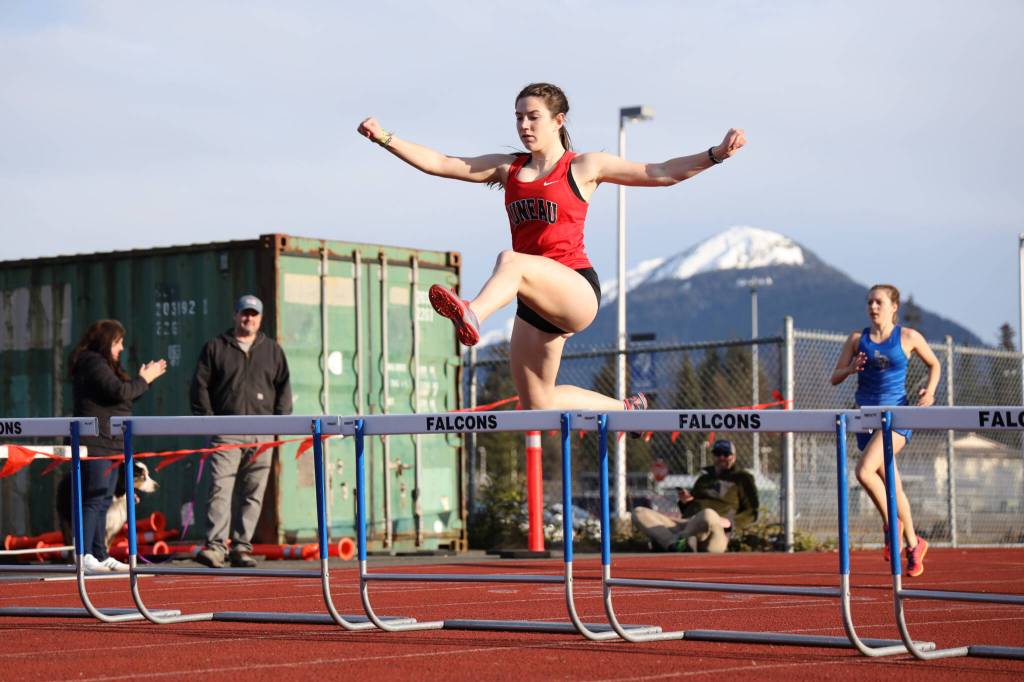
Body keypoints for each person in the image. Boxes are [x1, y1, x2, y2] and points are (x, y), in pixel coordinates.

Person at [358, 82, 745, 413]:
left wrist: (715, 155)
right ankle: (626, 408)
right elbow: (441, 162)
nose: (524, 125)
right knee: (537, 406)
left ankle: (473, 313)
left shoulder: (584, 166)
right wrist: (385, 138)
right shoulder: (507, 168)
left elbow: (659, 173)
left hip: (575, 289)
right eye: (518, 117)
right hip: (534, 300)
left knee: (511, 261)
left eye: (533, 117)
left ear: (558, 121)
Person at [831, 284, 941, 577]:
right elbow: (834, 377)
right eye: (869, 302)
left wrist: (928, 393)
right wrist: (852, 368)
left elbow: (934, 364)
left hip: (896, 418)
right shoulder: (857, 340)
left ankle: (892, 524)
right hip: (865, 419)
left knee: (864, 471)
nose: (873, 307)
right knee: (894, 486)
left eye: (879, 302)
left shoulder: (907, 337)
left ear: (894, 307)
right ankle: (913, 543)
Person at [190, 294, 292, 568]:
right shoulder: (215, 348)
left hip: (263, 431)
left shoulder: (272, 350)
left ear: (260, 318)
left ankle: (242, 547)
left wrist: (279, 425)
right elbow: (199, 385)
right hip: (227, 430)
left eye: (254, 314)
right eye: (244, 313)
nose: (248, 318)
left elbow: (284, 388)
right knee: (220, 489)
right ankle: (214, 547)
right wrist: (209, 421)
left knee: (253, 493)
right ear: (235, 316)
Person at [69, 319, 166, 573]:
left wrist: (142, 381)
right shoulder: (92, 361)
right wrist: (145, 379)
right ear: (106, 341)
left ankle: (100, 554)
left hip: (110, 444)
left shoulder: (103, 365)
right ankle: (85, 554)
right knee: (93, 498)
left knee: (103, 500)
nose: (122, 348)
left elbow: (122, 395)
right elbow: (119, 392)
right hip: (95, 443)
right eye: (118, 342)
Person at [632, 439, 758, 553]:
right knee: (639, 512)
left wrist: (730, 523)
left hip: (714, 530)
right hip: (686, 523)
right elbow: (690, 508)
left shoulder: (743, 478)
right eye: (717, 454)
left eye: (726, 454)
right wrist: (686, 502)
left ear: (734, 457)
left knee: (708, 514)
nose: (721, 457)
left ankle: (676, 540)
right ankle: (674, 545)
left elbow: (752, 512)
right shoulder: (704, 478)